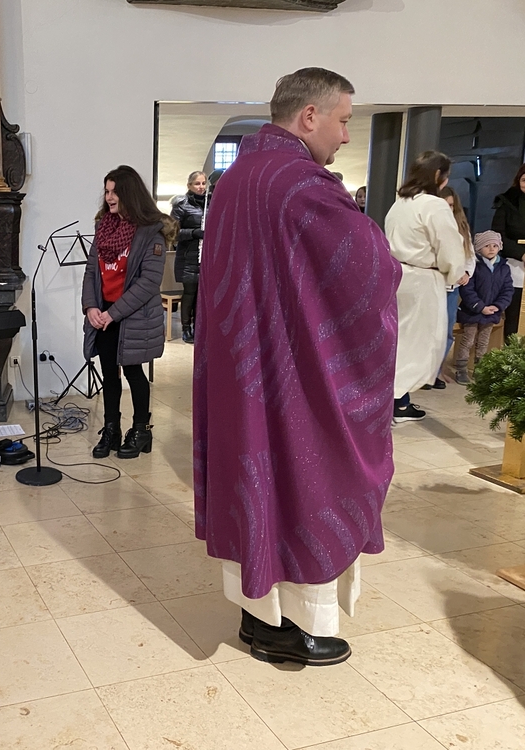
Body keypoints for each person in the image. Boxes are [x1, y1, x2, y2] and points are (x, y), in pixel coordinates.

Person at [194, 68, 401, 667]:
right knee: (305, 480)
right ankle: (299, 626)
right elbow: (368, 269)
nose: (345, 136)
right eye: (343, 121)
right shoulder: (302, 184)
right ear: (310, 115)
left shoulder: (235, 179)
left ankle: (257, 617)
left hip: (241, 370)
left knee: (255, 486)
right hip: (291, 375)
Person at [83, 165, 172, 460]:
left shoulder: (150, 233)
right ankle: (112, 429)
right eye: (107, 191)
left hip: (133, 317)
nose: (109, 197)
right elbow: (91, 272)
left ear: (129, 194)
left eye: (115, 192)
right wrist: (91, 307)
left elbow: (149, 283)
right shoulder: (103, 228)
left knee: (134, 372)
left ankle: (141, 429)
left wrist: (113, 314)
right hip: (104, 314)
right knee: (109, 373)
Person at [385, 151, 466, 421]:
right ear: (438, 176)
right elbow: (449, 246)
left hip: (398, 276)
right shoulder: (434, 205)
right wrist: (455, 274)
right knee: (418, 346)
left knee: (400, 341)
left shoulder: (400, 203)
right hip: (423, 280)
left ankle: (396, 401)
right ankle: (397, 404)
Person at [429, 186, 476, 389]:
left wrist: (466, 273)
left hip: (451, 288)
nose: (447, 209)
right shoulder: (429, 224)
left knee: (446, 332)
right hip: (432, 285)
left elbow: (469, 255)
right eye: (444, 205)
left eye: (451, 205)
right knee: (428, 331)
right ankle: (423, 373)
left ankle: (436, 372)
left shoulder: (461, 228)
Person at [454, 231, 514, 384]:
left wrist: (498, 306)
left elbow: (507, 290)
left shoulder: (504, 268)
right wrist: (480, 307)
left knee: (483, 342)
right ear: (479, 248)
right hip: (472, 312)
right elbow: (467, 290)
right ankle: (461, 369)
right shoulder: (474, 266)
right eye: (487, 246)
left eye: (495, 246)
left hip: (491, 312)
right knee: (468, 340)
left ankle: (480, 369)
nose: (491, 249)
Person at [170, 171, 207, 343]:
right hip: (188, 257)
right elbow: (172, 232)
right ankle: (186, 329)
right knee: (190, 293)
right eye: (197, 184)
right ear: (189, 185)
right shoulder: (181, 205)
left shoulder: (210, 203)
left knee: (202, 294)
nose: (201, 187)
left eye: (203, 183)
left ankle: (199, 327)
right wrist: (193, 233)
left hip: (206, 256)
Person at [492, 164, 525, 339]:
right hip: (514, 262)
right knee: (514, 316)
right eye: (524, 180)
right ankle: (511, 350)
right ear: (518, 180)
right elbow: (498, 235)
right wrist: (521, 254)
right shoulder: (506, 202)